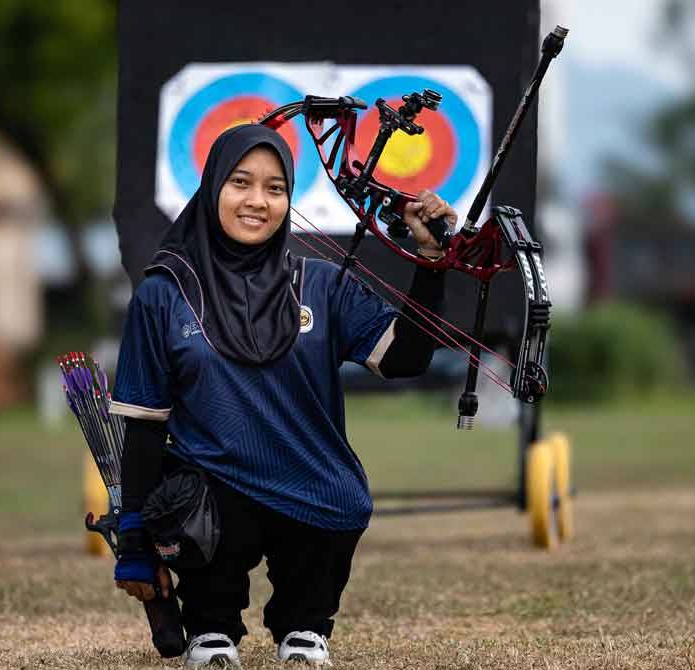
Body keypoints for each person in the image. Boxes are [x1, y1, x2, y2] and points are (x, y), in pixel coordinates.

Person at [109, 124, 456, 668]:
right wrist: (133, 541)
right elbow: (145, 425)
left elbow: (404, 359)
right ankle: (211, 625)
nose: (257, 200)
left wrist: (431, 259)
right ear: (212, 187)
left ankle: (305, 625)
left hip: (310, 483)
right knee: (189, 501)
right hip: (214, 494)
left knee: (340, 496)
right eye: (240, 182)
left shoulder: (322, 285)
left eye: (275, 189)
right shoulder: (162, 293)